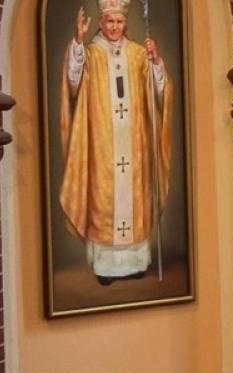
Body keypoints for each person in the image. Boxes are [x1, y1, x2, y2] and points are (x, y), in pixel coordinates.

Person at [58, 0, 173, 283]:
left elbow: (160, 93)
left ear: (126, 23)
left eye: (119, 22)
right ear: (100, 22)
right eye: (110, 22)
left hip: (135, 144)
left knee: (135, 199)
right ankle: (105, 269)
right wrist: (77, 41)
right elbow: (72, 82)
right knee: (105, 198)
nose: (115, 27)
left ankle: (136, 264)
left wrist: (156, 61)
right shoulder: (91, 54)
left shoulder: (137, 54)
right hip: (102, 144)